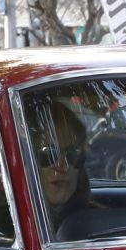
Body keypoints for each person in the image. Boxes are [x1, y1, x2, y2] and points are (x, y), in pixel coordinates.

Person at [27, 100, 99, 238]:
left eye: (73, 154)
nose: (63, 166)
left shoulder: (99, 225)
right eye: (48, 153)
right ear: (25, 158)